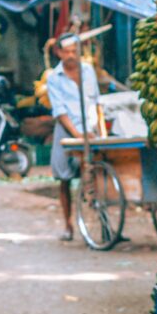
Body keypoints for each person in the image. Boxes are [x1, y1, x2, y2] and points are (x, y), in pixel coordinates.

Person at [46, 31, 100, 241]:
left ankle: (100, 219)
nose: (70, 55)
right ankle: (68, 224)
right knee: (64, 178)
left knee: (97, 174)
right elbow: (59, 111)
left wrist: (93, 128)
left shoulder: (88, 71)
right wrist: (77, 134)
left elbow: (95, 101)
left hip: (89, 128)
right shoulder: (54, 78)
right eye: (66, 51)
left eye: (74, 51)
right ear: (59, 53)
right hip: (66, 130)